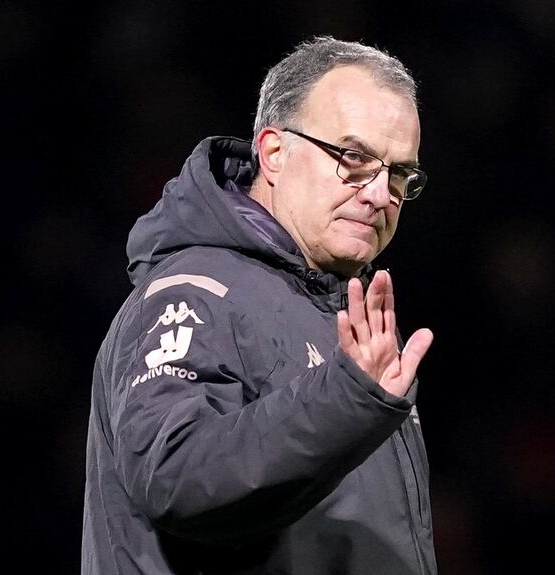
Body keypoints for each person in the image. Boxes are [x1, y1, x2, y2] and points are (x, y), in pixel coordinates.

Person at [81, 36, 436, 574]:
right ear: (273, 152)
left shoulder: (342, 311)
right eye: (354, 159)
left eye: (399, 174)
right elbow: (174, 475)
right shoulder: (195, 294)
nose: (378, 194)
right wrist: (346, 400)